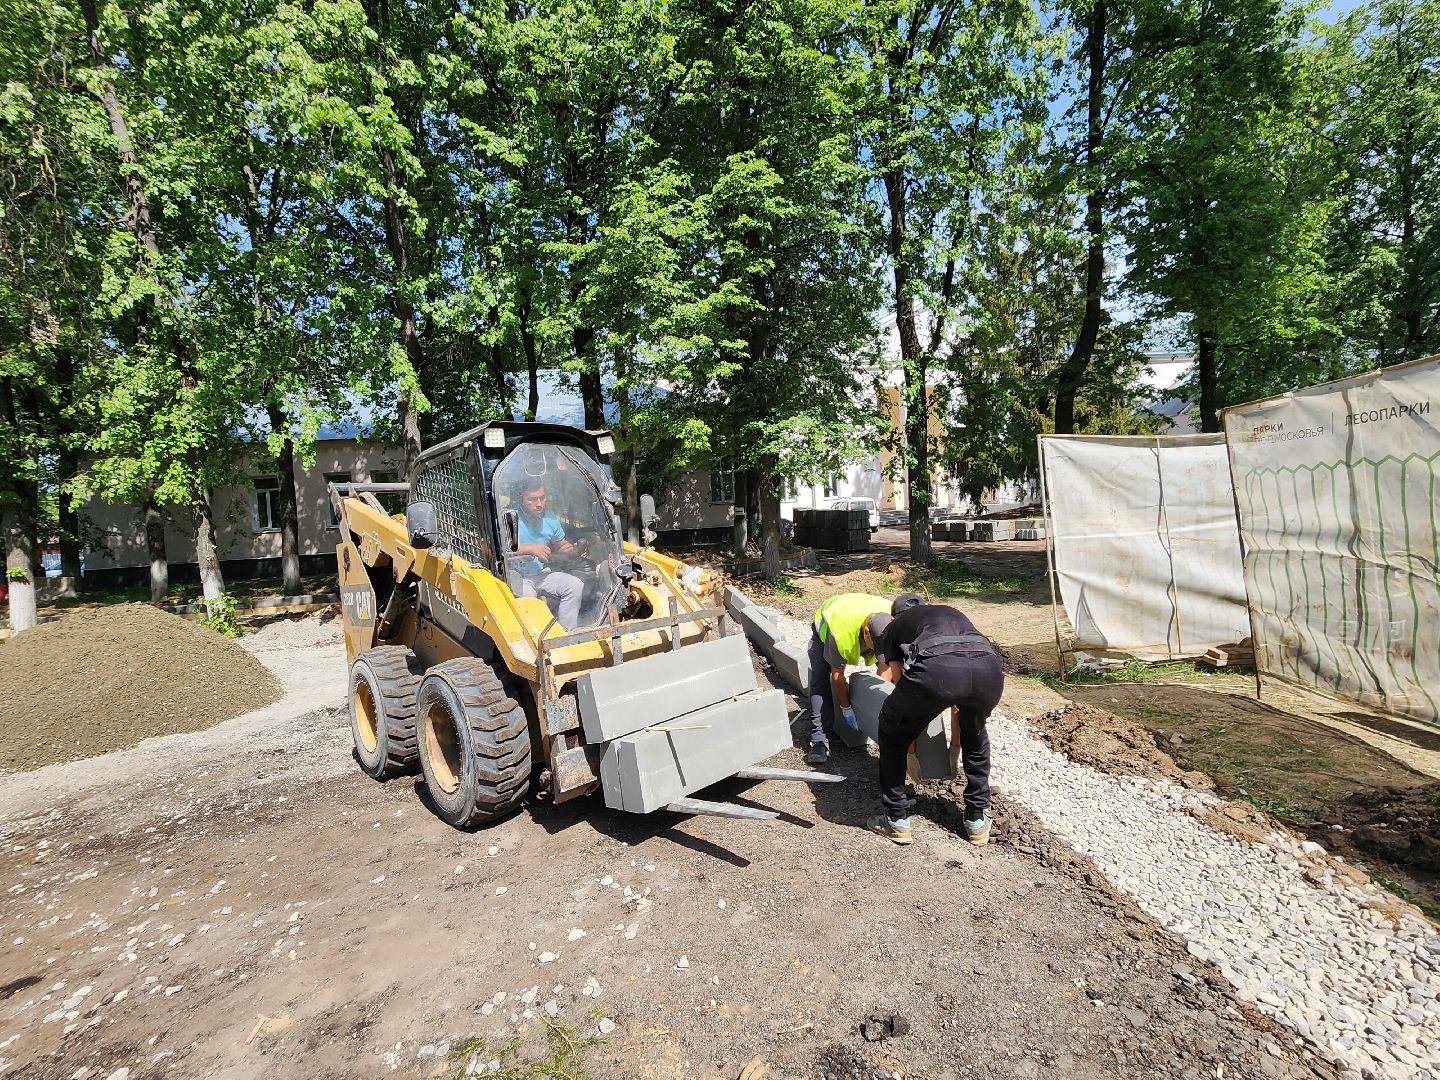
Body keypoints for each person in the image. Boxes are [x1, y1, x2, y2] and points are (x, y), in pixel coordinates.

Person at [866, 592, 1004, 847]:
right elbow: (959, 690)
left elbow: (897, 681)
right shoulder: (949, 612)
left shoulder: (893, 627)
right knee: (976, 736)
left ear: (896, 616)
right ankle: (976, 819)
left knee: (891, 727)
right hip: (989, 670)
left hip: (940, 670)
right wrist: (954, 750)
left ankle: (895, 819)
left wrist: (909, 739)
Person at [804, 592, 894, 765]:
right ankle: (819, 739)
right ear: (866, 633)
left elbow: (886, 669)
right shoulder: (840, 632)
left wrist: (875, 708)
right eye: (876, 647)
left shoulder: (893, 619)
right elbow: (838, 677)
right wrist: (846, 708)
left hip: (861, 615)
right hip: (828, 625)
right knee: (820, 679)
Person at [513, 477, 584, 628]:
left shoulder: (550, 519)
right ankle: (535, 640)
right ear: (521, 499)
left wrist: (573, 549)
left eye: (542, 498)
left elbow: (562, 545)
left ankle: (567, 632)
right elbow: (502, 549)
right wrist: (531, 548)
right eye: (532, 499)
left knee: (575, 585)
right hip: (517, 576)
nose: (539, 504)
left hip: (542, 574)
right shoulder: (510, 518)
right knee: (529, 598)